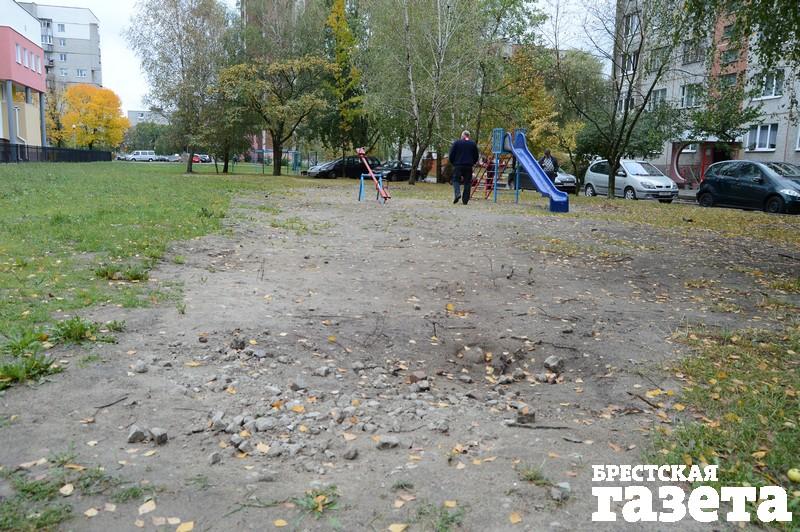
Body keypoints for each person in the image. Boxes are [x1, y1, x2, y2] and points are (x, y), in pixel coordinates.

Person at [448, 130, 480, 204]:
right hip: (468, 165)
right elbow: (476, 155)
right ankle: (465, 200)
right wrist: (473, 162)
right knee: (467, 182)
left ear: (462, 136)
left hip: (458, 165)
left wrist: (453, 163)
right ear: (469, 136)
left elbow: (451, 154)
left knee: (455, 180)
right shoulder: (473, 144)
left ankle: (457, 194)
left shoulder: (457, 143)